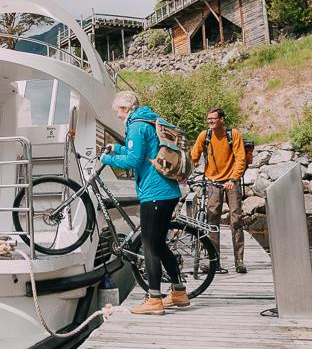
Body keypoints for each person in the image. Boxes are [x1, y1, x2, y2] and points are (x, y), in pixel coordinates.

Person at [102, 91, 186, 315]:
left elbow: (133, 160)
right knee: (159, 244)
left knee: (149, 245)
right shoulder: (148, 120)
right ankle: (179, 291)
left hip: (154, 193)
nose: (118, 117)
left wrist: (106, 158)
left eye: (118, 112)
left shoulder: (136, 126)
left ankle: (155, 299)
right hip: (167, 191)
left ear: (125, 109)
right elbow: (139, 150)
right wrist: (116, 148)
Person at [189, 107, 248, 274]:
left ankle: (239, 260)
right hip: (213, 182)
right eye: (208, 120)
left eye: (213, 119)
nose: (210, 122)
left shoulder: (233, 134)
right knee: (212, 221)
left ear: (221, 119)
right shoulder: (205, 135)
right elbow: (194, 156)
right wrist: (184, 173)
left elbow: (240, 158)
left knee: (235, 220)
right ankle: (213, 260)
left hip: (231, 182)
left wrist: (233, 179)